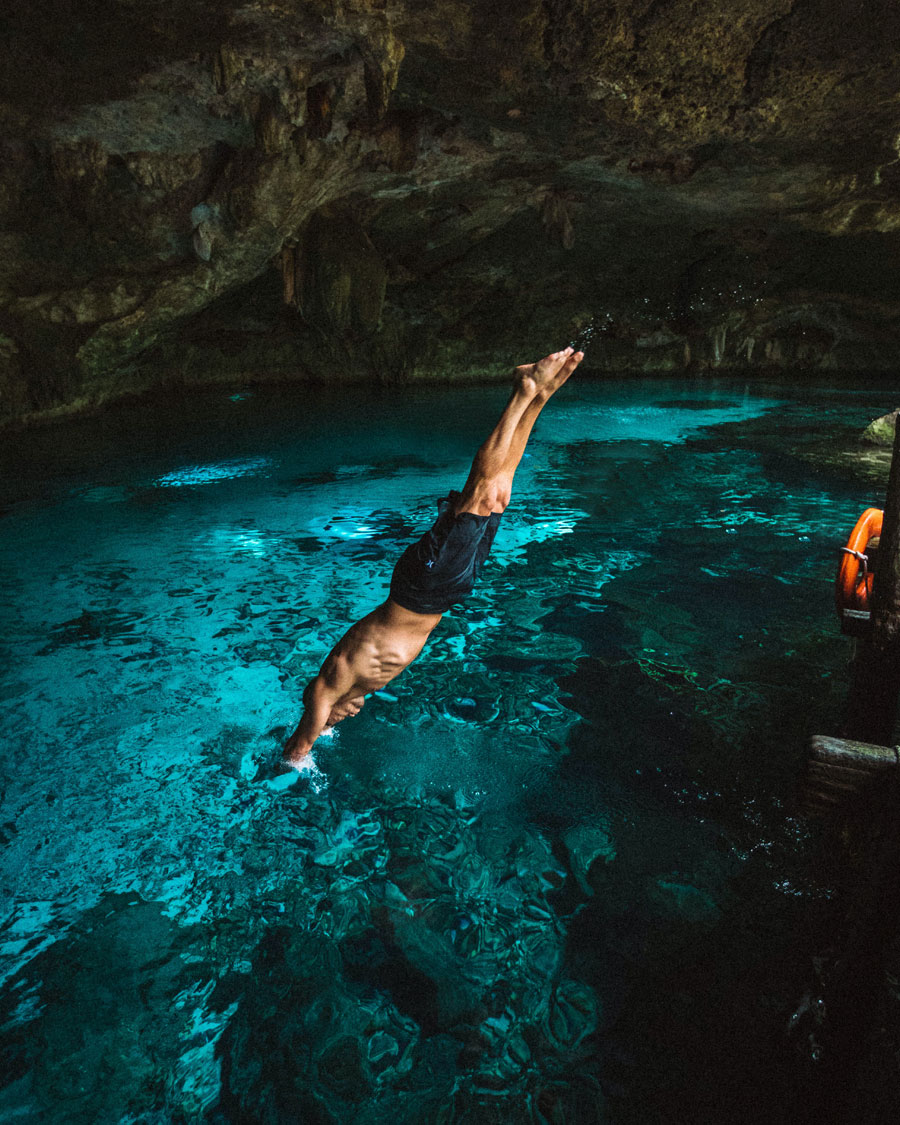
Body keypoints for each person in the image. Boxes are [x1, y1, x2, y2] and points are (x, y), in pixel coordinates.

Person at [281, 346, 584, 771]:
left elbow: (299, 746)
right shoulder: (351, 687)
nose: (347, 717)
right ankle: (540, 396)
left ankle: (523, 391)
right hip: (438, 591)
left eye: (333, 721)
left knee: (479, 494)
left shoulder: (325, 691)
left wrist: (297, 758)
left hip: (422, 588)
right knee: (497, 498)